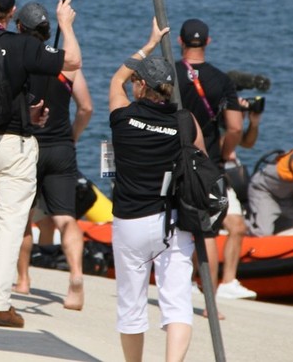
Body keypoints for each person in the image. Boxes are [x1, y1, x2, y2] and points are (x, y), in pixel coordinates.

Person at [0, 0, 82, 328]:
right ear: (12, 13)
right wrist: (66, 24)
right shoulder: (23, 45)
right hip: (12, 145)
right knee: (9, 223)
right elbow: (72, 61)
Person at [109, 19, 203, 362]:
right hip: (172, 221)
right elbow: (202, 163)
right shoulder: (184, 121)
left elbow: (116, 78)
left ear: (140, 86)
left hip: (130, 222)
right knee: (177, 305)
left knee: (131, 305)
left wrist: (148, 44)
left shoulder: (122, 116)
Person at [13, 1, 93, 311]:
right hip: (61, 147)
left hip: (28, 146)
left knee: (24, 217)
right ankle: (75, 276)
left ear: (20, 28)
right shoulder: (65, 64)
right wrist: (72, 136)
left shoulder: (21, 60)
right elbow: (86, 107)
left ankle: (23, 280)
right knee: (66, 219)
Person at [175, 18, 258, 304]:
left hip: (172, 159)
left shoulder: (172, 73)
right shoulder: (222, 80)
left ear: (179, 41)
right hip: (206, 162)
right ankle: (210, 300)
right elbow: (235, 128)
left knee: (174, 226)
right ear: (208, 42)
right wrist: (222, 154)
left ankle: (177, 288)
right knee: (206, 231)